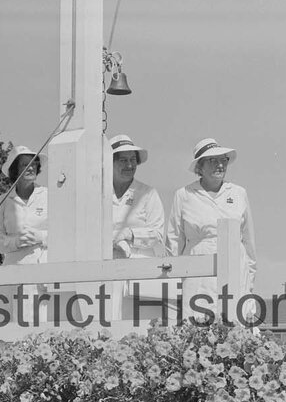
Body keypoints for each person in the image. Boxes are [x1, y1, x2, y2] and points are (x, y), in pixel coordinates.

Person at [166, 138, 257, 324]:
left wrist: (250, 275)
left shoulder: (239, 193)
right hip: (198, 267)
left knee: (235, 322)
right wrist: (175, 279)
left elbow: (248, 240)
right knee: (198, 323)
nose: (220, 165)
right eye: (212, 160)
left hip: (235, 264)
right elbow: (174, 240)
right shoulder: (184, 195)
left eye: (223, 159)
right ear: (199, 167)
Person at [107, 134, 166, 320]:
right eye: (123, 160)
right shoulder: (97, 193)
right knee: (107, 320)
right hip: (105, 267)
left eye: (133, 160)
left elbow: (158, 232)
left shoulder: (148, 193)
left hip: (140, 269)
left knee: (138, 324)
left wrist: (130, 234)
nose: (129, 165)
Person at [0, 146, 48, 323]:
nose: (30, 168)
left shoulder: (49, 195)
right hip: (13, 266)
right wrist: (15, 242)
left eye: (33, 164)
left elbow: (64, 232)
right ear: (15, 170)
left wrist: (42, 237)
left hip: (42, 266)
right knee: (14, 318)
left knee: (41, 318)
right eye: (24, 164)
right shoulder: (3, 201)